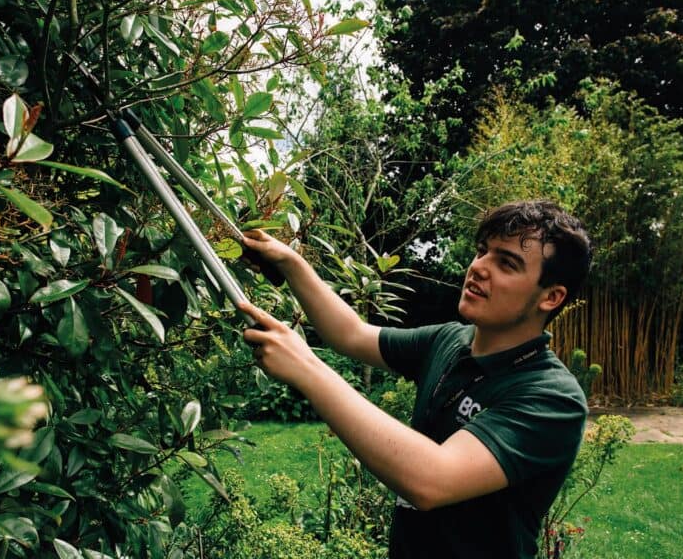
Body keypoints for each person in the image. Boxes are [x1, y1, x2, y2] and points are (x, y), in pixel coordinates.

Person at [238, 199, 592, 559]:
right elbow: (352, 334)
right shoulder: (450, 341)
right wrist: (291, 263)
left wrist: (306, 368)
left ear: (551, 297)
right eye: (483, 251)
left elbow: (432, 479)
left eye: (507, 263)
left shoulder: (551, 397)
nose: (479, 268)